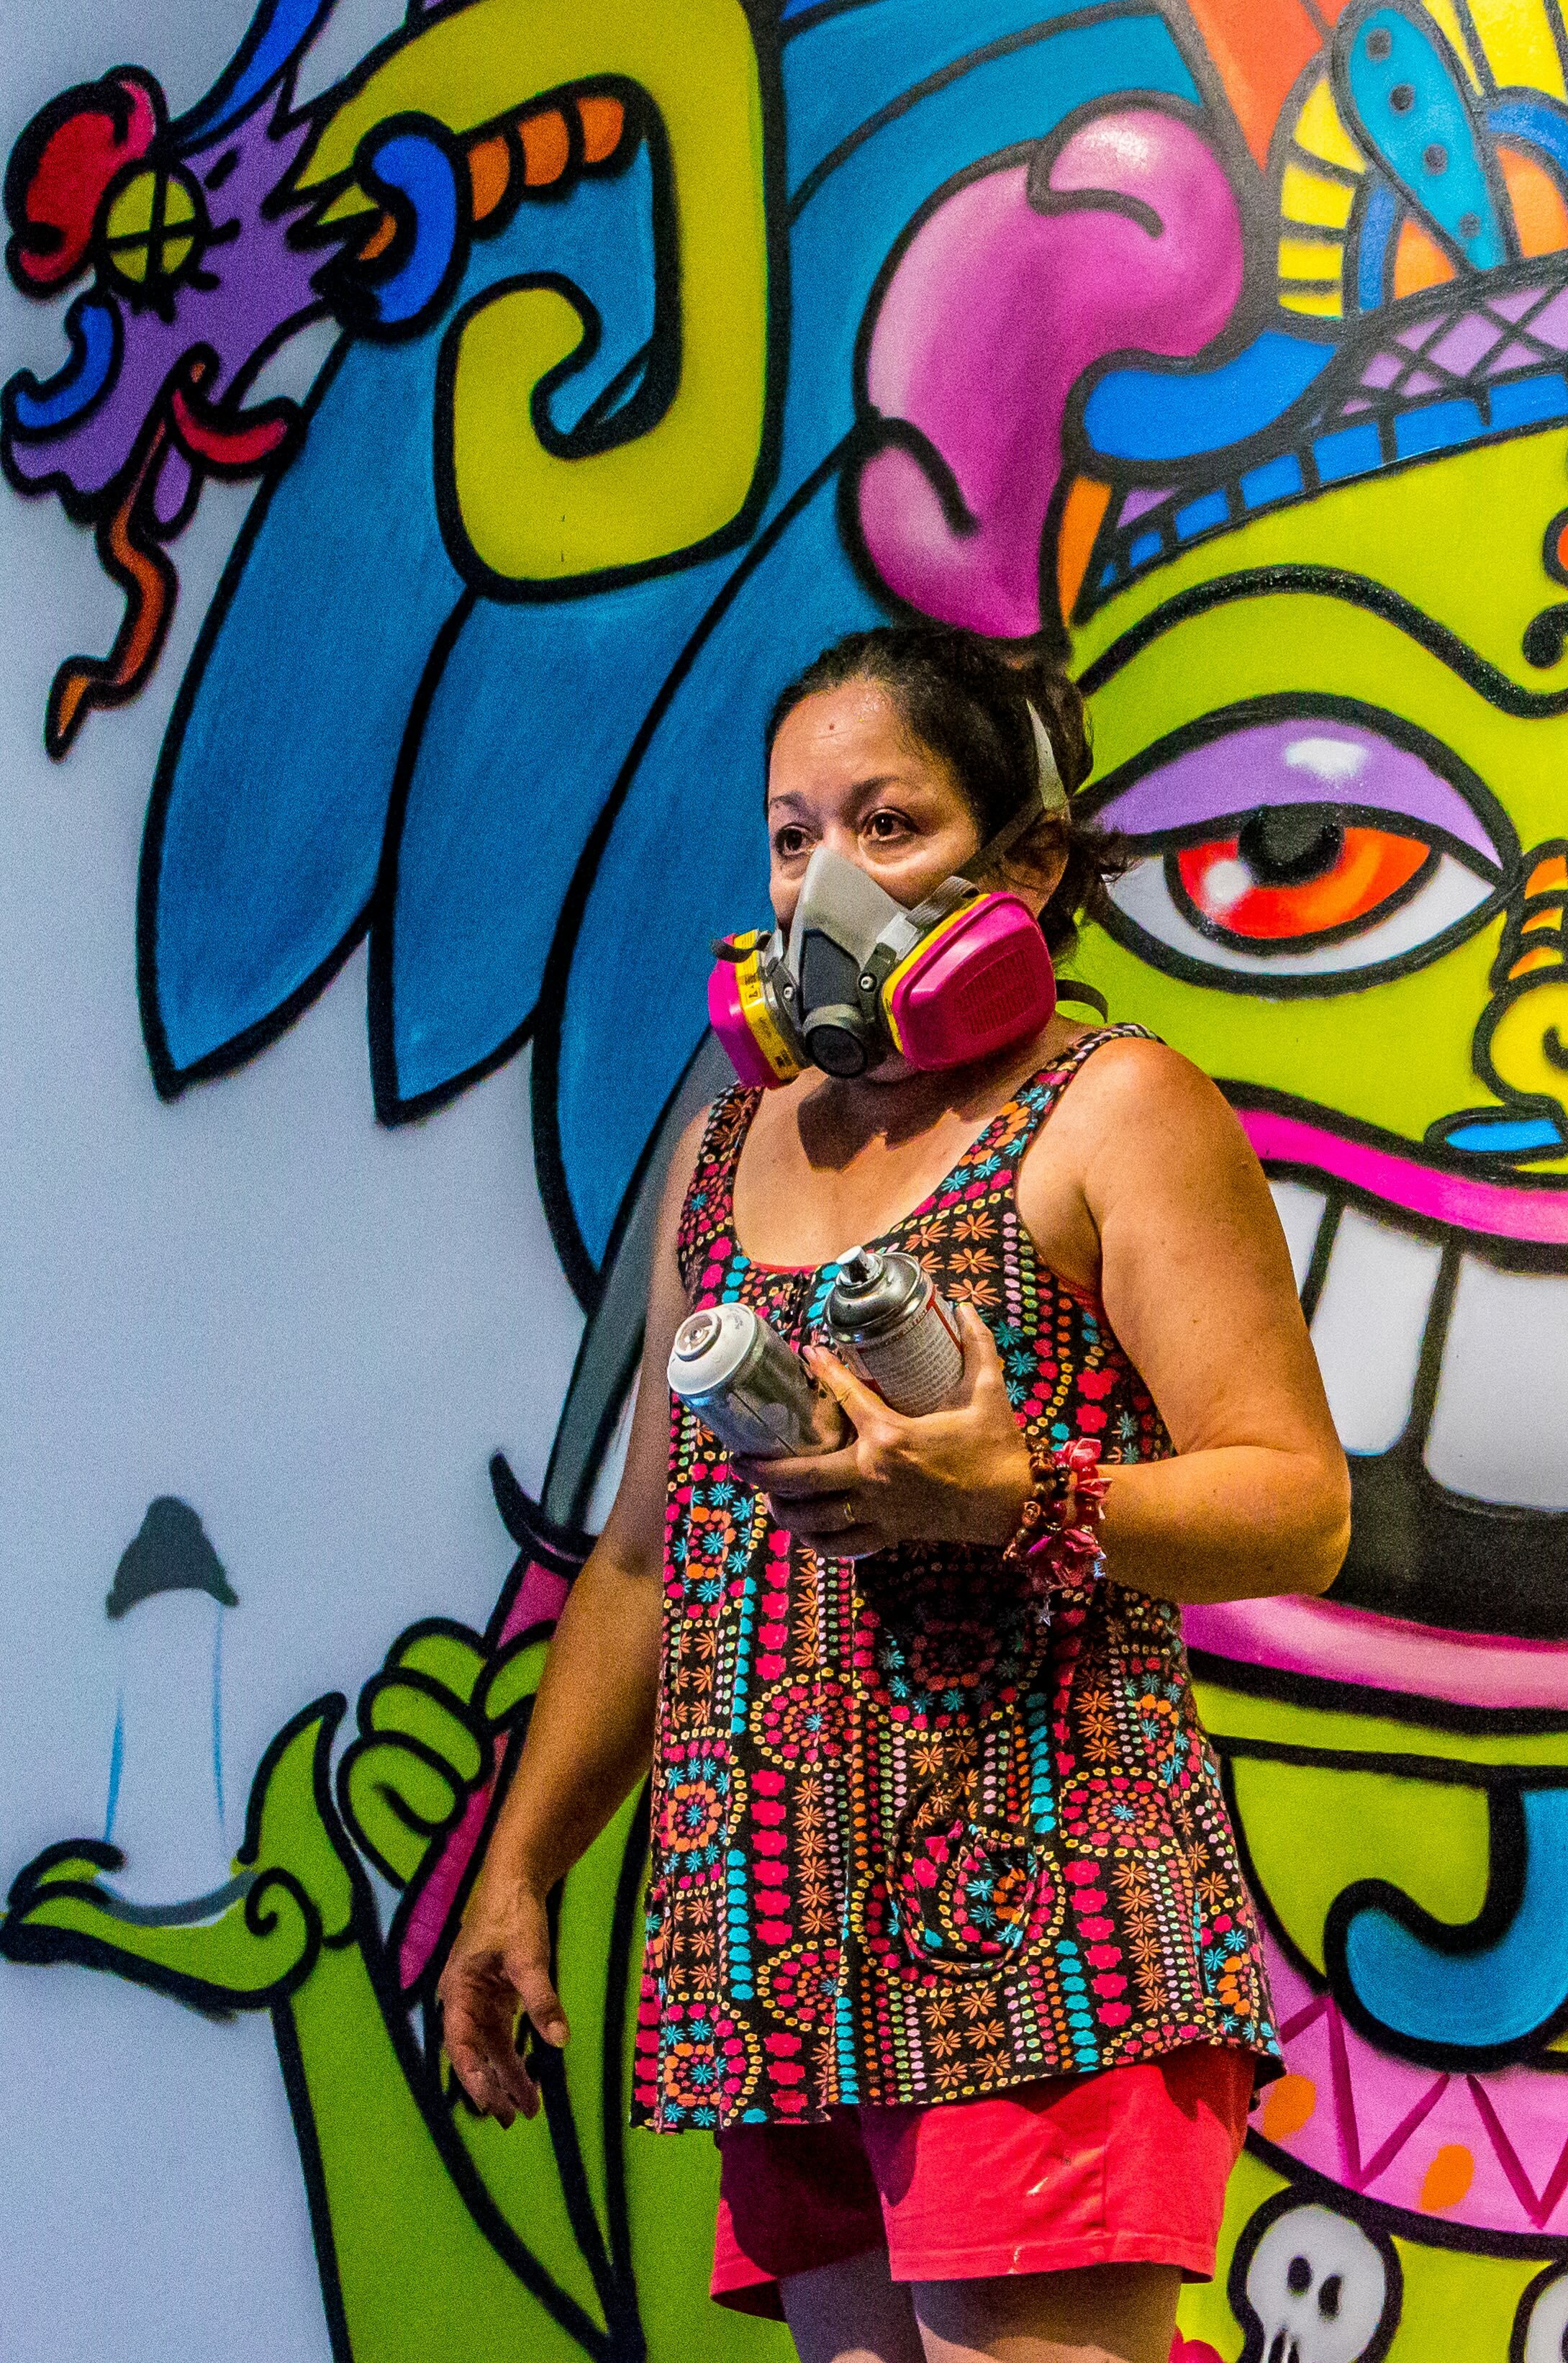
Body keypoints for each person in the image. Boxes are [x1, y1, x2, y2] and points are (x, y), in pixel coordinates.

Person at [438, 625, 1350, 2363]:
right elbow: (645, 1559)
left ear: (1030, 866)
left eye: (888, 824)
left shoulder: (1114, 1110)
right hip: (779, 1941)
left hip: (1045, 1938)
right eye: (794, 838)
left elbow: (1298, 1505)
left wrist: (1019, 1500)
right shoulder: (730, 1142)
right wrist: (522, 1863)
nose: (826, 884)